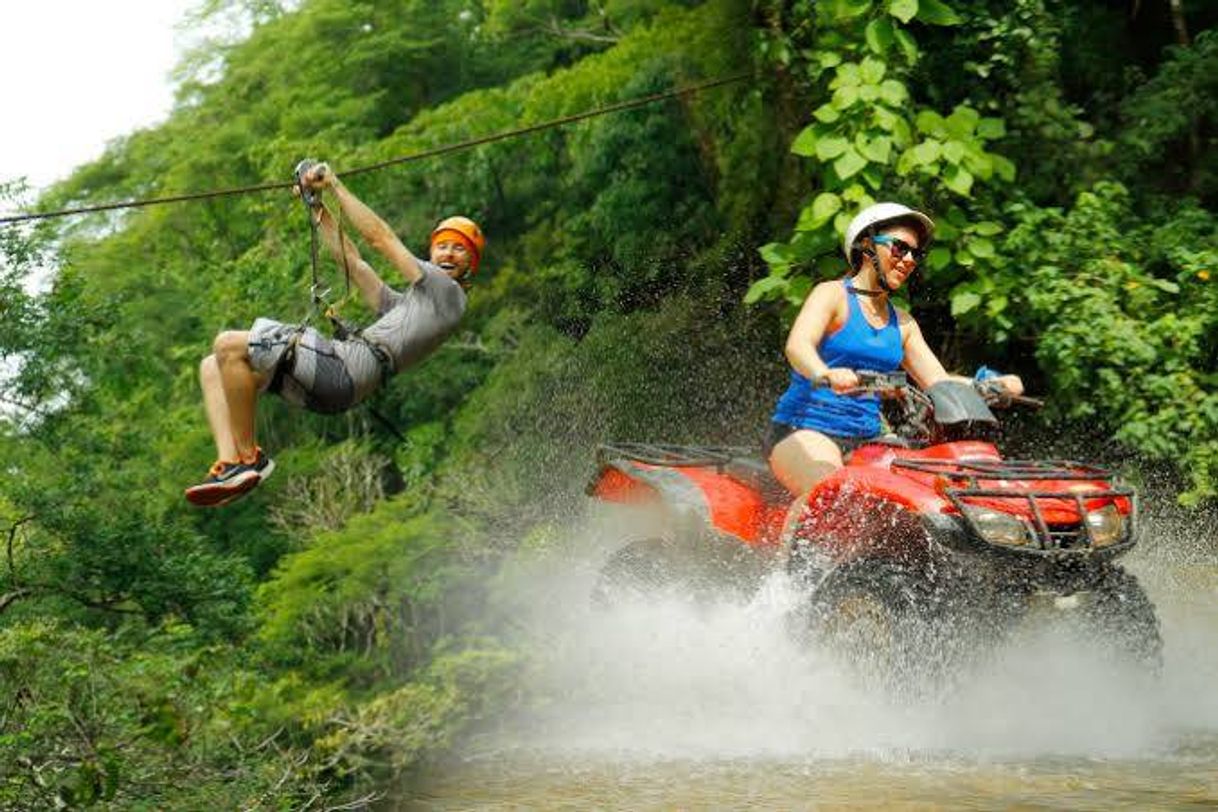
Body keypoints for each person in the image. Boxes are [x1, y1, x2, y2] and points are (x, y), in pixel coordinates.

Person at [184, 162, 485, 507]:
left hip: (345, 371)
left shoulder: (448, 294)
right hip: (334, 388)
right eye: (443, 246)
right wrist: (317, 207)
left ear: (470, 264)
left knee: (228, 344)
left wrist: (336, 186)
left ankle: (249, 460)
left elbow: (380, 239)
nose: (448, 253)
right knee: (214, 366)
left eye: (459, 249)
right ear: (432, 252)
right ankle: (231, 465)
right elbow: (352, 263)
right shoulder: (409, 308)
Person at [766, 202, 1023, 498]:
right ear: (866, 245)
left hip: (869, 440)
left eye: (916, 253)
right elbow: (798, 346)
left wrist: (990, 384)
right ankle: (787, 547)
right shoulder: (832, 294)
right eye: (900, 248)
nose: (909, 259)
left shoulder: (904, 324)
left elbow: (939, 384)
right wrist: (824, 373)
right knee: (833, 496)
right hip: (805, 431)